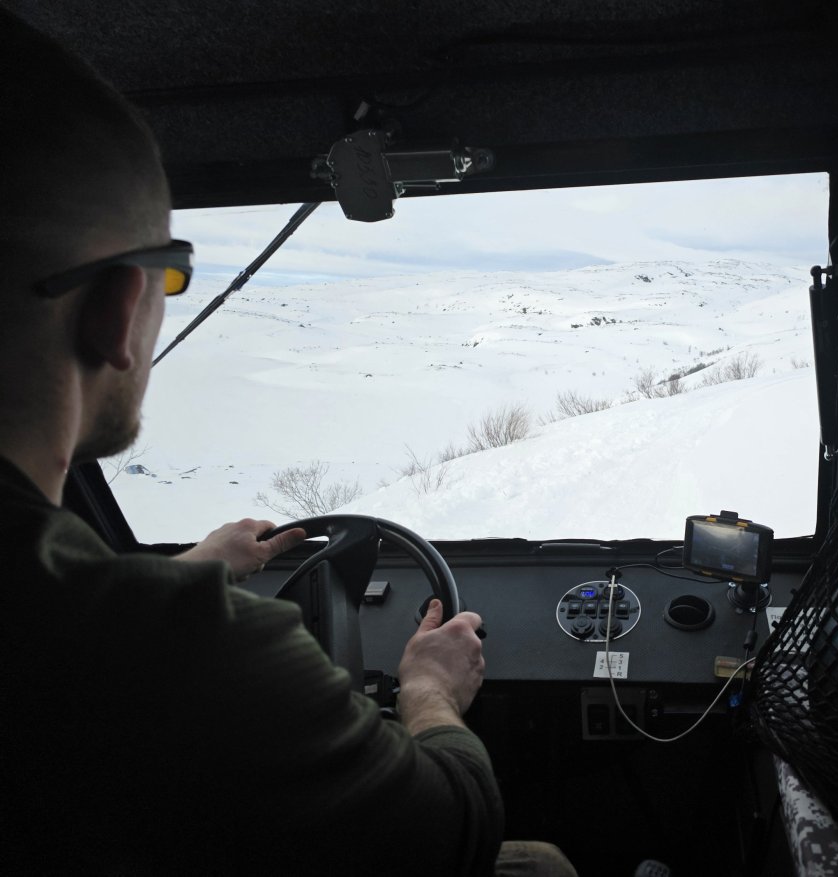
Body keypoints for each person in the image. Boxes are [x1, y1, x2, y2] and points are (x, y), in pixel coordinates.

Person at [0, 11, 575, 876]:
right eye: (168, 272)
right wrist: (427, 693)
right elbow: (447, 833)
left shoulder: (92, 629)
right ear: (119, 307)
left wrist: (191, 568)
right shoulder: (203, 659)